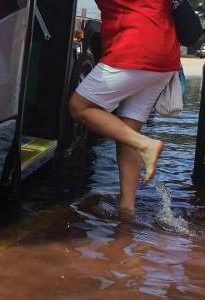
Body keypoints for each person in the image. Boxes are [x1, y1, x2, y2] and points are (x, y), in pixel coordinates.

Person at [69, 0, 180, 213]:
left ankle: (147, 145)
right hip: (164, 55)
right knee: (127, 133)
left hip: (134, 50)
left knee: (78, 106)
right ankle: (127, 210)